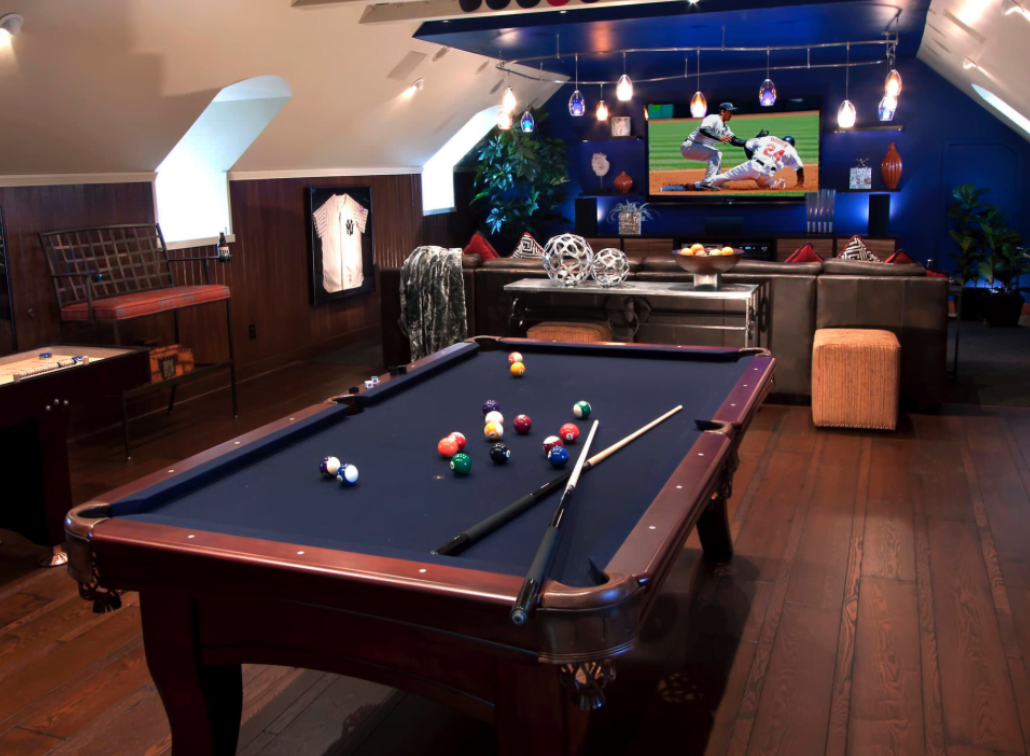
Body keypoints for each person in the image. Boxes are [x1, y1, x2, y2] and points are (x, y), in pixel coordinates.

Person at [697, 134, 805, 191]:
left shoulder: (771, 138)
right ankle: (778, 182)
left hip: (754, 165)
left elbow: (747, 144)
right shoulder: (791, 149)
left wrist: (751, 159)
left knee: (725, 176)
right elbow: (799, 167)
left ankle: (697, 185)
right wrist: (800, 184)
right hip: (767, 173)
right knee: (763, 185)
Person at [679, 102, 750, 189]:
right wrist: (718, 137)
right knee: (716, 153)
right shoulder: (713, 118)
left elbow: (735, 141)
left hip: (696, 147)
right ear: (722, 112)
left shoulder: (725, 129)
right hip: (689, 146)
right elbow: (703, 129)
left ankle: (717, 181)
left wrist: (752, 141)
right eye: (729, 111)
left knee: (716, 155)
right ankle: (706, 183)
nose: (731, 114)